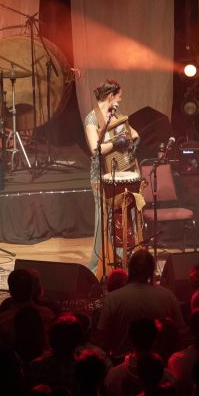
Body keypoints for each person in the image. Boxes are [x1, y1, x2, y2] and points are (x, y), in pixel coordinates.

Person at [83, 78, 140, 278]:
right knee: (104, 218)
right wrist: (117, 143)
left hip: (119, 174)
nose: (120, 100)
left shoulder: (116, 115)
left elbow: (132, 133)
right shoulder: (92, 118)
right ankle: (100, 264)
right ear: (110, 96)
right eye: (118, 96)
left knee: (121, 216)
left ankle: (122, 261)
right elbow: (95, 149)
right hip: (100, 176)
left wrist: (134, 139)